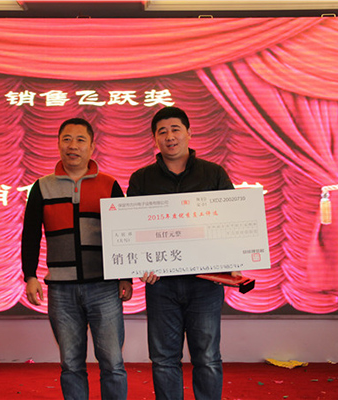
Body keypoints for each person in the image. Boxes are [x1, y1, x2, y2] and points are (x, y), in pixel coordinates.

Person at [127, 106, 237, 400]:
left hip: (206, 283)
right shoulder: (141, 179)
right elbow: (132, 230)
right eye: (162, 132)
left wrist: (235, 259)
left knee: (207, 357)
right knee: (163, 359)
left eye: (175, 129)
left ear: (189, 132)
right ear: (154, 139)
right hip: (161, 284)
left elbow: (233, 221)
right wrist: (140, 264)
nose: (169, 136)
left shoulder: (213, 174)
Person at [21, 117, 132, 400]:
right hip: (62, 290)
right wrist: (30, 275)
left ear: (92, 146)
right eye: (67, 139)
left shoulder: (109, 185)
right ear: (58, 144)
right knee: (71, 365)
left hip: (104, 287)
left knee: (113, 363)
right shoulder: (42, 187)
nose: (73, 146)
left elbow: (124, 234)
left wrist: (126, 277)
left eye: (81, 140)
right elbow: (31, 234)